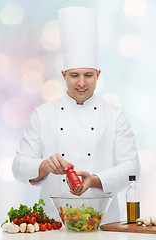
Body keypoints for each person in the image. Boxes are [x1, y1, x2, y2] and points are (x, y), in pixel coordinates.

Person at [12, 7, 140, 223]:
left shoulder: (115, 115)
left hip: (103, 224)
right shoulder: (43, 114)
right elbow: (18, 166)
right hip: (53, 224)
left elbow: (132, 167)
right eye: (74, 75)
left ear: (98, 74)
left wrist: (95, 179)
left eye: (88, 75)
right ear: (63, 74)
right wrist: (43, 166)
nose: (81, 83)